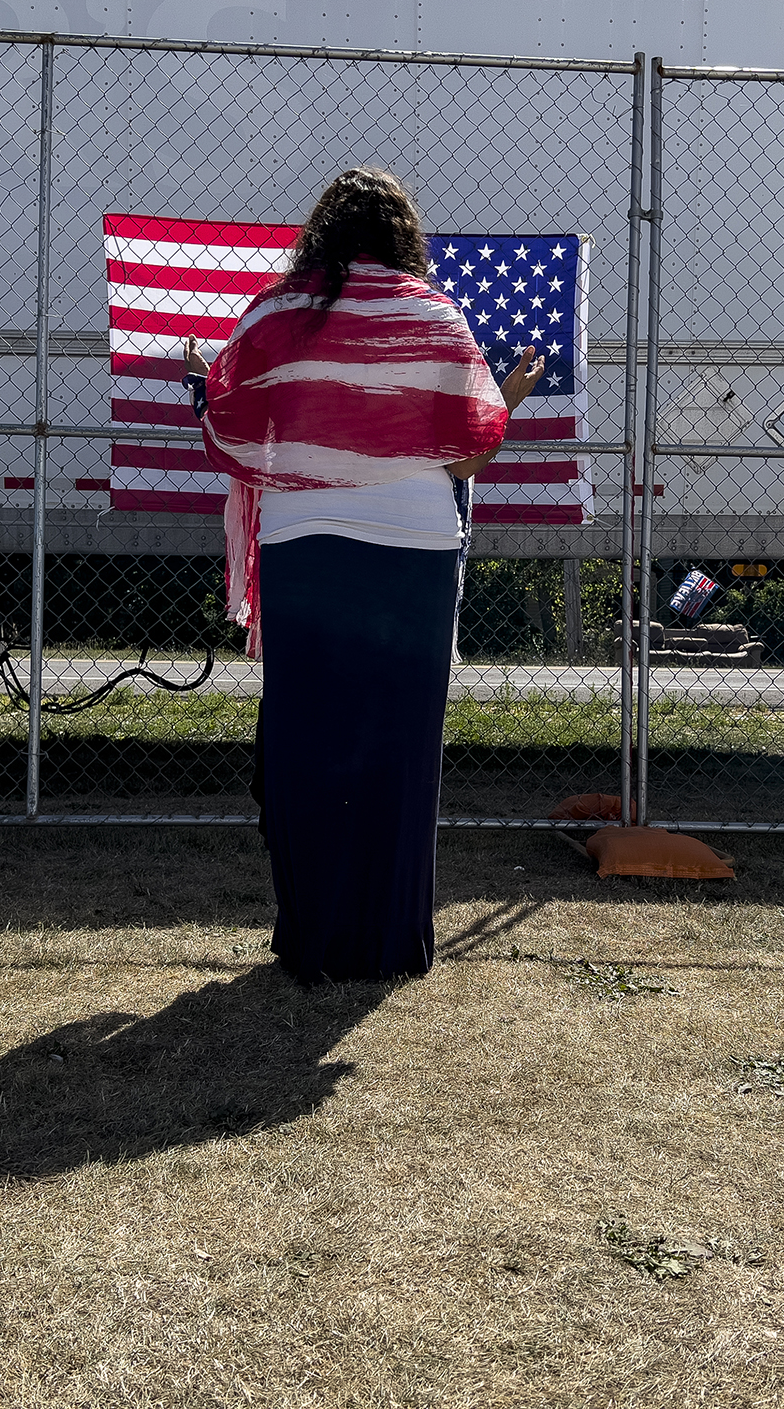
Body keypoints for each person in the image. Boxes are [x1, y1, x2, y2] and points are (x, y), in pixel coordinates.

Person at [182, 166, 544, 983]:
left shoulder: (278, 315)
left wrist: (200, 379)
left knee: (309, 748)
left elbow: (232, 424)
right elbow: (470, 452)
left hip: (305, 550)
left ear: (321, 234)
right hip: (413, 553)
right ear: (402, 237)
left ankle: (312, 941)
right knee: (400, 756)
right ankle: (390, 945)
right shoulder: (434, 316)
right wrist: (507, 399)